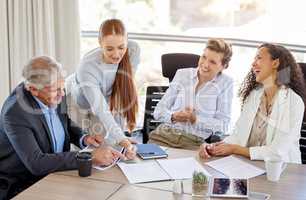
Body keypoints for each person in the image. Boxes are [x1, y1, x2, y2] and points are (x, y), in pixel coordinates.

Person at [0, 56, 126, 199]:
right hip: (23, 186)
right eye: (56, 90)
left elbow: (64, 121)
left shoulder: (55, 90)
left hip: (56, 173)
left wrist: (84, 138)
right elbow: (36, 163)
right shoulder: (15, 113)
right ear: (33, 89)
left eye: (62, 87)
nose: (62, 94)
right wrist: (88, 156)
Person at [199, 43, 306, 163]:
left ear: (275, 63)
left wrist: (235, 149)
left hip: (283, 170)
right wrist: (213, 147)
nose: (253, 63)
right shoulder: (254, 96)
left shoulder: (294, 102)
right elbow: (238, 135)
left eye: (259, 58)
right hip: (251, 165)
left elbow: (278, 152)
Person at [67, 19, 140, 158]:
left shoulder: (133, 50)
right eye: (109, 49)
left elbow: (120, 90)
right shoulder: (87, 67)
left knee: (110, 141)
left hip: (105, 96)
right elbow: (100, 109)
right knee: (89, 148)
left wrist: (121, 139)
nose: (117, 54)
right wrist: (122, 140)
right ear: (100, 43)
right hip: (78, 102)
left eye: (121, 47)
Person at [149, 38, 234, 150]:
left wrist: (195, 120)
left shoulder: (225, 83)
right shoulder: (182, 74)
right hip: (164, 135)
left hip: (194, 142)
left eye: (212, 62)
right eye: (204, 57)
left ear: (223, 66)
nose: (205, 64)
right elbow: (158, 111)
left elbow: (223, 125)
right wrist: (173, 116)